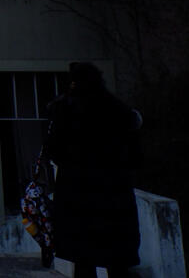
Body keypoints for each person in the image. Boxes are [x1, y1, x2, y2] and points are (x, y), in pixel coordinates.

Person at [44, 62, 142, 277]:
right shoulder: (118, 110)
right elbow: (135, 153)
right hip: (114, 196)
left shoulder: (65, 110)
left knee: (83, 260)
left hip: (79, 196)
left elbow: (53, 150)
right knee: (117, 261)